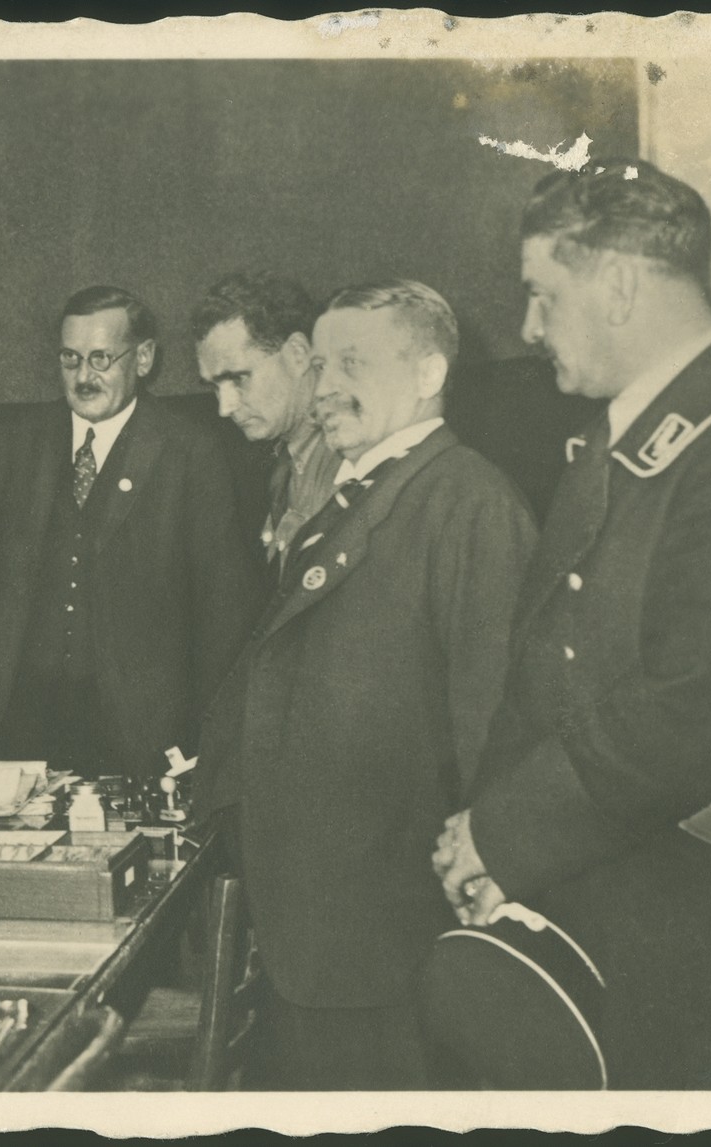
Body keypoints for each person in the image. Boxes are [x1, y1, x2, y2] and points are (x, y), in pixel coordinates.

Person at [432, 160, 711, 1089]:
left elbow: (692, 709)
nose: (530, 328)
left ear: (619, 284)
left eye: (543, 295)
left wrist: (503, 833)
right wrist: (485, 838)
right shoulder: (616, 432)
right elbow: (542, 660)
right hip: (596, 891)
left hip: (698, 927)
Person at [192, 280, 537, 1089]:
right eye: (324, 363)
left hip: (385, 937)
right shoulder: (356, 496)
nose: (328, 386)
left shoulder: (468, 500)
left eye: (355, 362)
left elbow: (493, 728)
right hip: (319, 933)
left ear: (428, 374)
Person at [0, 285, 256, 779]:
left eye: (101, 358)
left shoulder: (192, 453)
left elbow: (222, 612)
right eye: (70, 358)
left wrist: (199, 739)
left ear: (143, 358)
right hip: (20, 722)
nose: (83, 376)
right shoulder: (17, 444)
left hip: (137, 732)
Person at [192, 271, 342, 575]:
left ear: (298, 354)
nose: (225, 407)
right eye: (215, 386)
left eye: (237, 378)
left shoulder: (349, 463)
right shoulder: (285, 460)